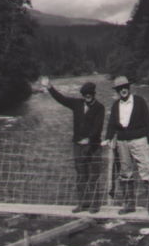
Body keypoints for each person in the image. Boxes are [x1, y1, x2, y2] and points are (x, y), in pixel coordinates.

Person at [41, 77, 105, 214]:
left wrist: (89, 139)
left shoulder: (100, 108)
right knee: (81, 175)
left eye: (90, 94)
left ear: (94, 94)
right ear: (83, 95)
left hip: (93, 146)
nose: (87, 96)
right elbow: (62, 99)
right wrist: (50, 87)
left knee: (93, 175)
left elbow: (98, 127)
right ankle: (82, 204)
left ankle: (94, 205)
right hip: (77, 146)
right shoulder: (77, 104)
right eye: (85, 94)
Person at [102, 76, 149, 218]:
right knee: (125, 173)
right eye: (119, 88)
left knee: (147, 171)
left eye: (125, 87)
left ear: (129, 88)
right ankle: (129, 205)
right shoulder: (116, 105)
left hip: (140, 141)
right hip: (122, 143)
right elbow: (111, 124)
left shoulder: (140, 102)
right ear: (116, 91)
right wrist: (108, 138)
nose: (123, 90)